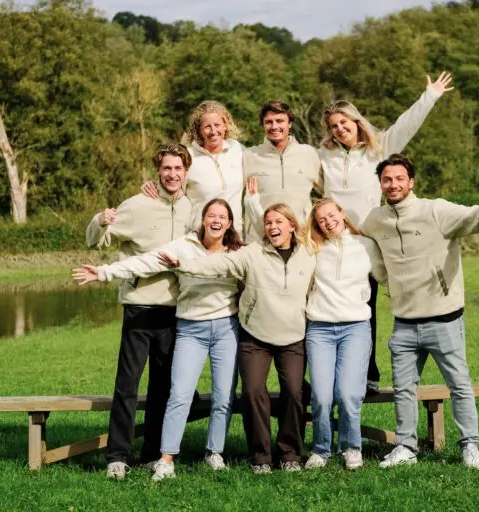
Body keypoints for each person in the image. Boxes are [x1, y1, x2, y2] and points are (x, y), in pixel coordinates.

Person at [362, 153, 479, 470]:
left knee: (459, 385)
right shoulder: (375, 220)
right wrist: (384, 278)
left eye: (399, 178)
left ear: (411, 182)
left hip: (444, 319)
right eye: (387, 179)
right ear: (380, 184)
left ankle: (470, 447)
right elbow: (358, 241)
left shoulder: (435, 210)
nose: (393, 184)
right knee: (404, 389)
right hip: (404, 322)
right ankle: (406, 447)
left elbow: (473, 216)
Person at [74, 199, 243, 481]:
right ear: (203, 219)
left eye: (222, 217)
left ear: (229, 223)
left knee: (224, 396)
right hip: (191, 327)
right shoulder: (183, 247)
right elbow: (146, 261)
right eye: (211, 215)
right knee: (179, 394)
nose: (216, 220)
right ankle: (165, 458)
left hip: (226, 328)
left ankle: (214, 452)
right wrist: (104, 272)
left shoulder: (238, 251)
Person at [318, 71, 454, 393]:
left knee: (365, 310)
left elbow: (407, 124)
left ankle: (367, 374)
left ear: (356, 121)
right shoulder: (324, 156)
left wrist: (430, 95)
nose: (340, 129)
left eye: (344, 122)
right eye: (333, 126)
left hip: (366, 243)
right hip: (332, 244)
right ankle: (329, 375)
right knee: (329, 309)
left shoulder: (378, 148)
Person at [160, 202, 315, 474]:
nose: (273, 227)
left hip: (292, 337)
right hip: (255, 336)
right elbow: (218, 263)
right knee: (252, 392)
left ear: (292, 225)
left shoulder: (309, 254)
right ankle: (261, 457)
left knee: (294, 392)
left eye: (279, 221)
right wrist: (183, 264)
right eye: (268, 222)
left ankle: (290, 453)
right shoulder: (252, 253)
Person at [83, 143, 193, 480]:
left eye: (178, 168)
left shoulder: (191, 208)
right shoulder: (137, 205)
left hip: (175, 309)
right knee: (127, 385)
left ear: (186, 172)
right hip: (139, 307)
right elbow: (96, 241)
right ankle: (117, 455)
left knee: (162, 387)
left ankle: (151, 454)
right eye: (166, 168)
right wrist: (99, 221)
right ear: (157, 171)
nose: (172, 174)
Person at [301, 198, 387, 471]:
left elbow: (388, 276)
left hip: (355, 328)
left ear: (342, 213)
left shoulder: (366, 245)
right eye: (321, 220)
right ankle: (321, 448)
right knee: (321, 397)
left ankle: (351, 447)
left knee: (349, 394)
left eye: (331, 215)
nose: (328, 222)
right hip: (320, 329)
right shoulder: (313, 248)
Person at [142, 101, 245, 233]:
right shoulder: (188, 157)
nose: (213, 131)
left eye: (217, 125)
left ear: (225, 126)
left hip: (235, 235)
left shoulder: (237, 149)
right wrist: (152, 186)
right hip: (201, 237)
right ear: (199, 130)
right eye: (207, 127)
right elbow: (171, 186)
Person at [242, 100, 322, 242]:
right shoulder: (249, 156)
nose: (274, 126)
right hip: (260, 239)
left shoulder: (308, 154)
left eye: (280, 121)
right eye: (269, 122)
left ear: (289, 123)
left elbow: (327, 191)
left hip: (301, 238)